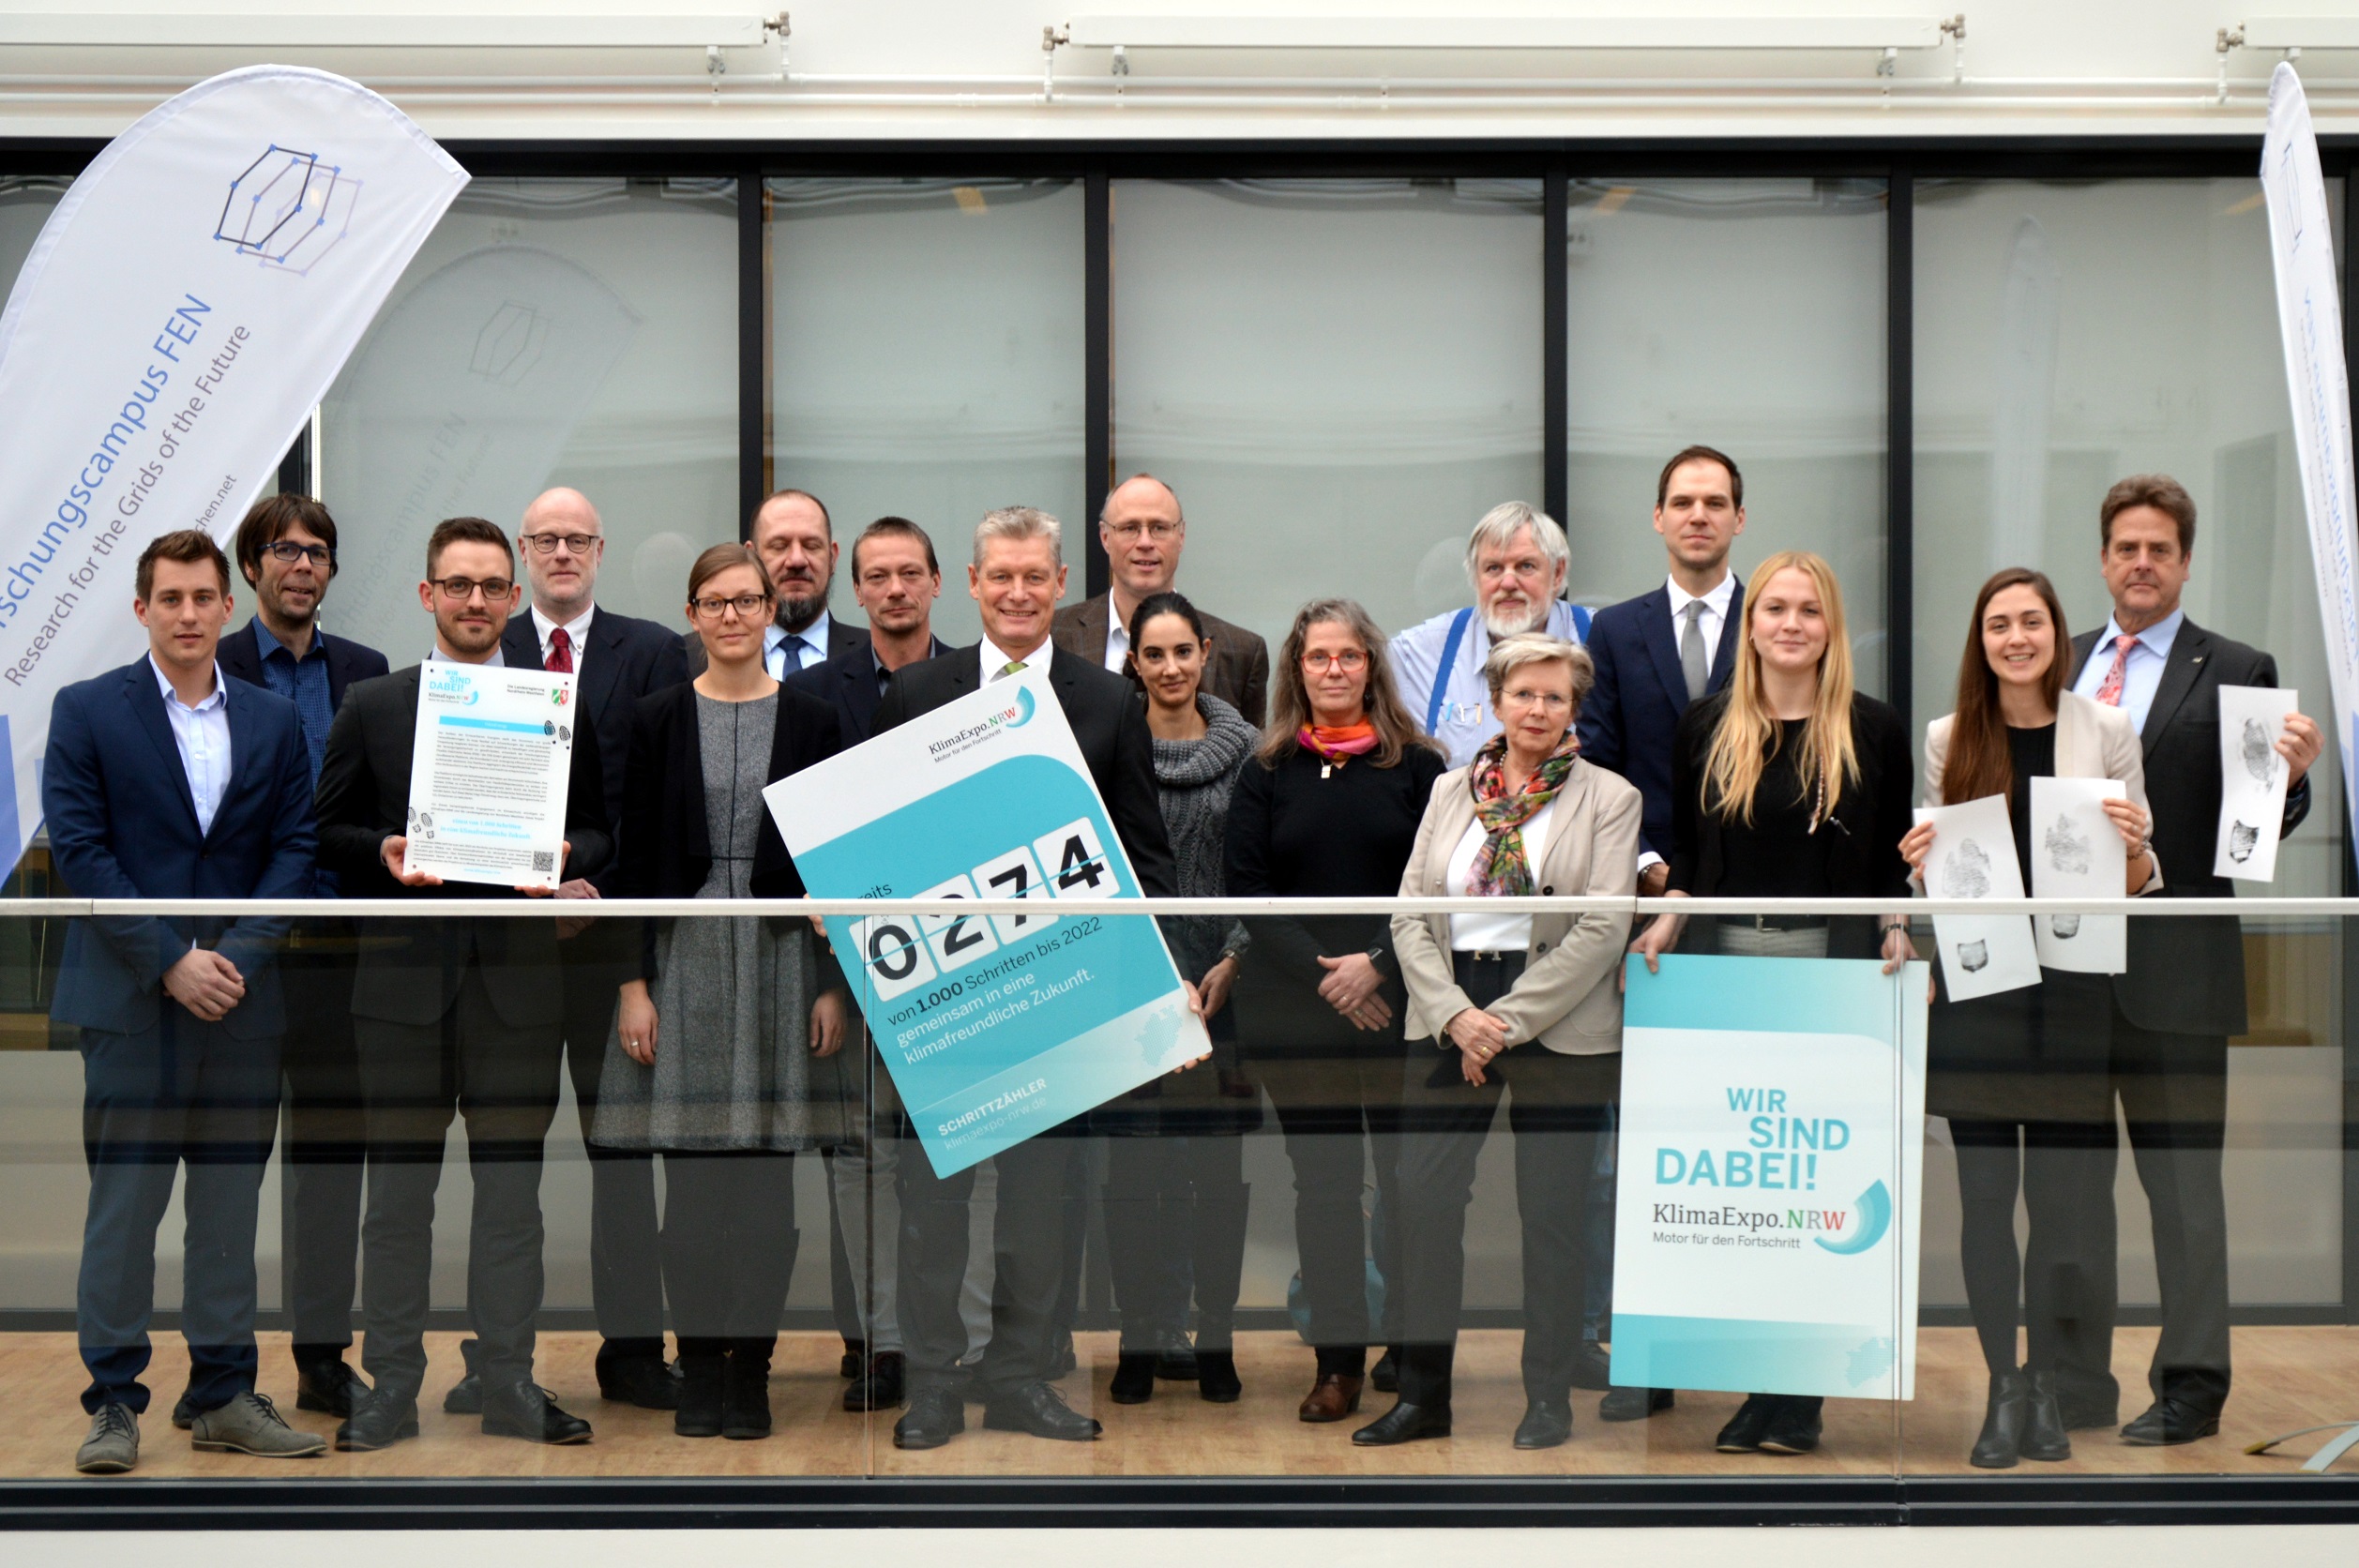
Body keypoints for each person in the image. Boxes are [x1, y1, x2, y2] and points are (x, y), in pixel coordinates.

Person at [871, 506, 1179, 1452]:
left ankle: (1017, 1377)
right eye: (999, 576)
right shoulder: (914, 691)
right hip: (945, 998)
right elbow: (881, 842)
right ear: (971, 583)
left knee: (1040, 1211)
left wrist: (1149, 995)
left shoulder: (1109, 699)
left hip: (1058, 998)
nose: (1016, 593)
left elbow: (1147, 859)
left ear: (1059, 584)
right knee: (931, 1210)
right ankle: (933, 1384)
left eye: (1034, 577)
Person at [314, 517, 612, 1452]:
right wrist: (383, 848)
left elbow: (601, 830)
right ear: (427, 595)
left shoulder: (552, 705)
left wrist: (565, 857)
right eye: (457, 585)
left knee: (512, 1204)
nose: (475, 601)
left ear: (514, 598)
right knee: (398, 1206)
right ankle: (393, 1386)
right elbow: (323, 833)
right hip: (400, 994)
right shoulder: (373, 703)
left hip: (517, 992)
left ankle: (508, 1380)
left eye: (491, 586)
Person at [47, 530, 325, 1473]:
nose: (189, 613)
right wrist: (171, 960)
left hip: (240, 1005)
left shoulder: (273, 720)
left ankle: (221, 1396)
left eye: (204, 597)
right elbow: (82, 852)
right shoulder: (87, 710)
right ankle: (112, 1403)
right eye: (170, 598)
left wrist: (231, 958)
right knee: (124, 1213)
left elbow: (294, 849)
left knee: (228, 1213)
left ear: (227, 605)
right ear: (142, 610)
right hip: (132, 1001)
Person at [1630, 549, 1916, 1458]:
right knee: (1747, 1188)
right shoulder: (1706, 723)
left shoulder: (1871, 728)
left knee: (1815, 1189)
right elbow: (1686, 848)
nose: (1790, 624)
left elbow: (1890, 861)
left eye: (1808, 610)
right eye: (1775, 609)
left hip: (1829, 975)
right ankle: (1759, 1381)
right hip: (1724, 970)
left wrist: (1897, 927)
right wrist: (1667, 919)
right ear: (1749, 625)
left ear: (1830, 627)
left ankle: (1797, 1396)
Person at [2058, 475, 2321, 1445]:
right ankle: (2075, 1382)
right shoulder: (2060, 662)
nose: (2141, 564)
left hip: (2177, 973)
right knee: (2070, 1196)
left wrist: (2291, 782)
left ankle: (2192, 1386)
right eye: (2125, 548)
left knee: (2183, 1197)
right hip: (2065, 971)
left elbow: (2253, 826)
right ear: (2102, 560)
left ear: (2183, 562)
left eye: (2158, 550)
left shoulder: (2237, 669)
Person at [1898, 567, 2158, 1470]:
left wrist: (2135, 847)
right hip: (1982, 988)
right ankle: (2000, 1387)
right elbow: (1935, 882)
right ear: (1981, 641)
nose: (2016, 638)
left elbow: (2141, 882)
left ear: (2056, 633)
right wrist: (1918, 862)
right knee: (1982, 1202)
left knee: (2059, 1209)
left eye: (2031, 622)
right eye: (1999, 624)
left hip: (2073, 991)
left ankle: (2044, 1382)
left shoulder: (2106, 728)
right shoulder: (1947, 737)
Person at [597, 543, 854, 1440]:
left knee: (767, 1198)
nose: (733, 615)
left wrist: (833, 986)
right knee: (695, 1196)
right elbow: (630, 861)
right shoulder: (655, 716)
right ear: (693, 615)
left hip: (785, 963)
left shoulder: (816, 718)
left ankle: (753, 1372)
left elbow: (836, 859)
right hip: (685, 962)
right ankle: (701, 1365)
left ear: (768, 611)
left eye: (747, 600)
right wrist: (632, 984)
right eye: (715, 602)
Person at [446, 485, 690, 1417]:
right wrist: (526, 894)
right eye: (544, 539)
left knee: (622, 1163)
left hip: (609, 949)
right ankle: (495, 1359)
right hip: (503, 952)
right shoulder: (480, 647)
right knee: (504, 1166)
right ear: (521, 553)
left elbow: (653, 809)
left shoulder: (654, 651)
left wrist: (600, 906)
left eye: (576, 539)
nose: (560, 553)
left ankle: (631, 1353)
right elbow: (461, 801)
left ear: (599, 550)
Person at [1367, 633, 1641, 1451]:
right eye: (1523, 694)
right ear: (1495, 701)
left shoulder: (1610, 797)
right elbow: (1410, 913)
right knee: (1421, 1205)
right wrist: (1456, 1015)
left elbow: (1603, 926)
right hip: (1450, 1011)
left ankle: (1547, 1398)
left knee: (1552, 1217)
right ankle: (1423, 1399)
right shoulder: (1449, 789)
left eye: (1555, 697)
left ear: (1573, 709)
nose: (1537, 709)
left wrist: (1505, 1023)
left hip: (1556, 1020)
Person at [1226, 597, 1448, 1424]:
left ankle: (1407, 1350)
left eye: (1347, 656)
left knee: (1405, 1185)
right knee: (1322, 1189)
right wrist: (1330, 978)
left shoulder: (1420, 768)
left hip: (1399, 1002)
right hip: (1295, 1008)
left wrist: (1376, 967)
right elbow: (1247, 891)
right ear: (1297, 668)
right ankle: (1336, 1362)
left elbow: (1437, 884)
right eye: (1318, 657)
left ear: (1370, 667)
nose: (1333, 670)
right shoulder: (1265, 770)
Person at [1572, 443, 1748, 1421]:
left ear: (1737, 519)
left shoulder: (1775, 617)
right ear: (1657, 517)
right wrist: (1647, 868)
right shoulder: (1616, 628)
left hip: (1751, 913)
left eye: (1714, 502)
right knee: (1649, 1146)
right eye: (1681, 501)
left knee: (1738, 1141)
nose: (1697, 515)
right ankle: (1647, 1354)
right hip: (1647, 918)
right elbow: (1599, 764)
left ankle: (1750, 1349)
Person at [215, 494, 389, 1423]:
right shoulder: (213, 665)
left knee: (328, 1169)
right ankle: (221, 1375)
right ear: (252, 568)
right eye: (283, 550)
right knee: (231, 1171)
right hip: (240, 957)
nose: (302, 565)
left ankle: (322, 1361)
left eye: (316, 551)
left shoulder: (365, 670)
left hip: (339, 953)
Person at [785, 515, 953, 1414]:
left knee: (961, 1162)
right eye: (877, 576)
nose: (894, 589)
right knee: (861, 1165)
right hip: (850, 969)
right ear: (855, 591)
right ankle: (881, 1344)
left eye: (908, 573)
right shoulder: (813, 694)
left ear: (937, 583)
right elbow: (797, 842)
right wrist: (826, 982)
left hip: (965, 960)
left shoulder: (975, 682)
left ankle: (957, 1344)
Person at [1099, 591, 1263, 1408]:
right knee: (1135, 1177)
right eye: (1152, 655)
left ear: (1205, 653)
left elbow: (1259, 869)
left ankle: (1215, 1337)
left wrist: (1233, 957)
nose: (1169, 668)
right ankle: (1140, 1337)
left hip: (1225, 990)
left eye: (1182, 652)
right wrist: (1148, 972)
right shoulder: (1107, 745)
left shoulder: (1252, 753)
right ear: (1132, 663)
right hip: (1130, 991)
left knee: (1215, 1179)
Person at [1051, 474, 1273, 722]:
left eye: (1159, 527)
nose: (1145, 542)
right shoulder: (1053, 635)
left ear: (1181, 536)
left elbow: (1251, 745)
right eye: (1129, 528)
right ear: (1105, 538)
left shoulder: (1241, 652)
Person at [1390, 501, 1593, 768]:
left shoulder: (1604, 640)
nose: (1508, 583)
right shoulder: (1416, 654)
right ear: (1475, 577)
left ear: (1557, 573)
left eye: (1526, 566)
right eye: (1493, 568)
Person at [688, 489, 867, 679]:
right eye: (779, 546)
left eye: (811, 546)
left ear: (833, 557)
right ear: (752, 557)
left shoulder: (873, 655)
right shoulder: (685, 660)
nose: (796, 561)